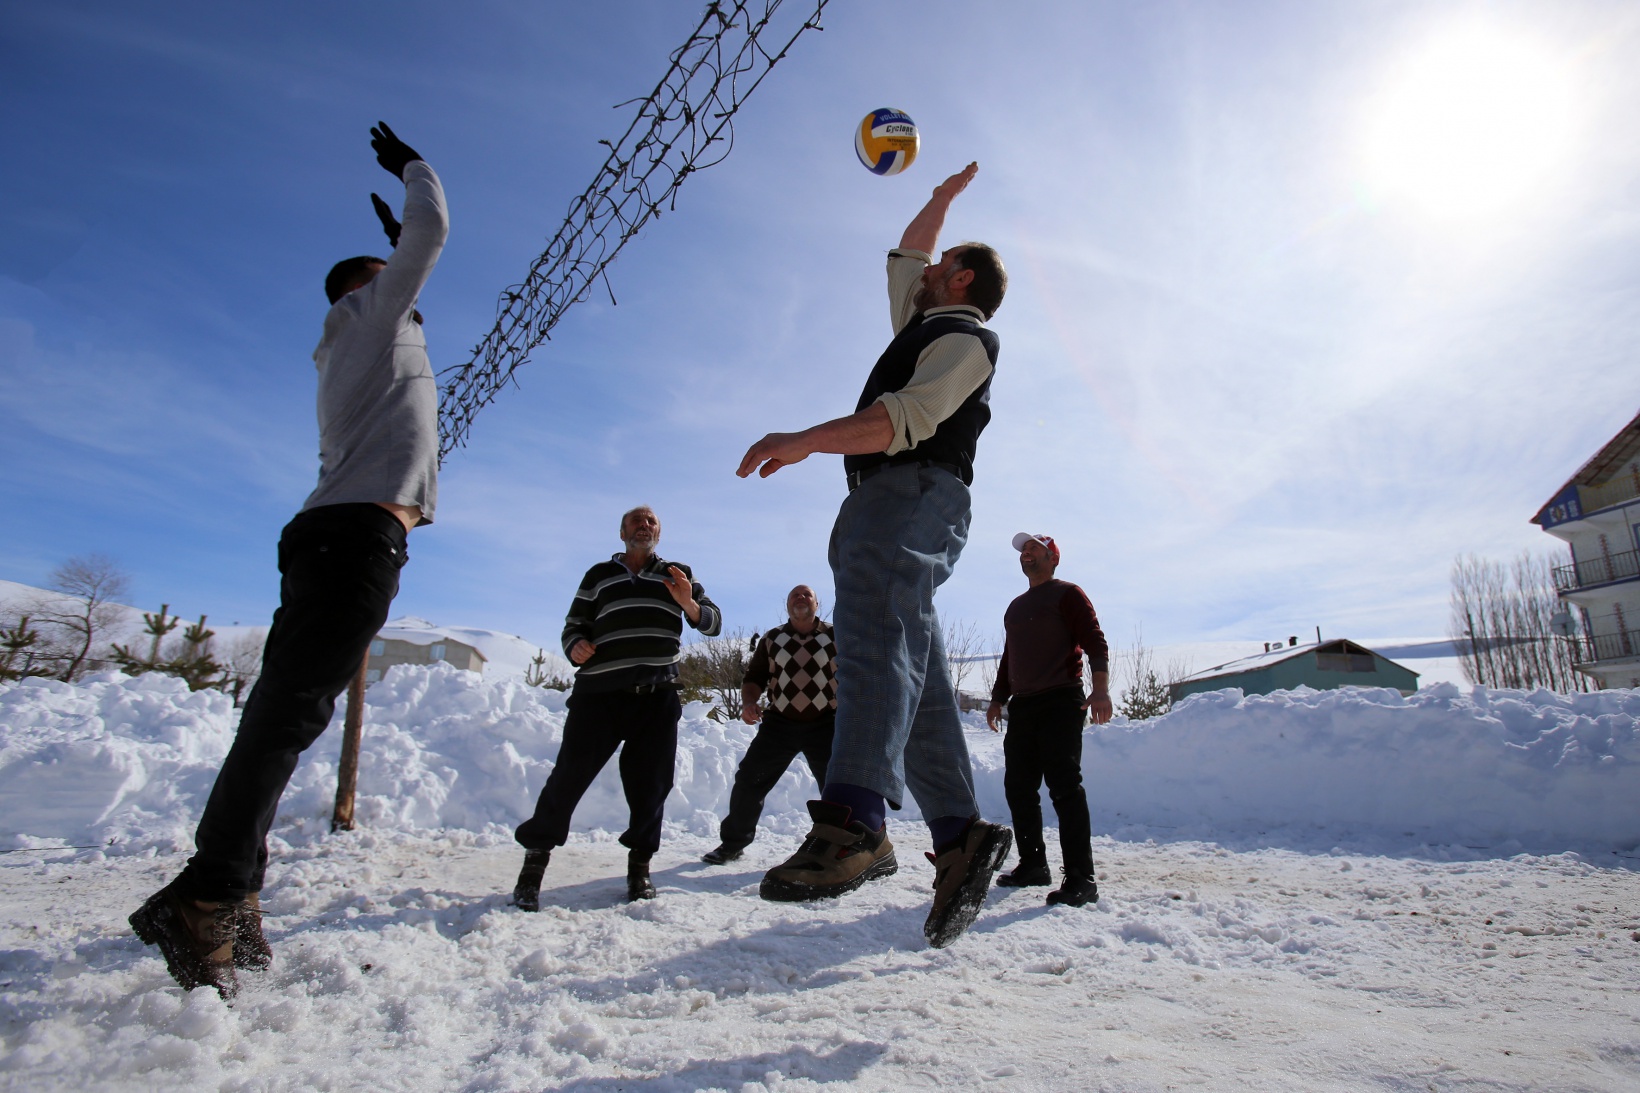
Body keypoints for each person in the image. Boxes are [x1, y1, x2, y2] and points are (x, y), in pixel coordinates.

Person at [129, 123, 448, 998]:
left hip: (334, 538)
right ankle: (204, 900)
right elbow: (432, 234)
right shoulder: (373, 314)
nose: (413, 298)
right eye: (396, 286)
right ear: (368, 288)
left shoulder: (360, 335)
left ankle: (233, 894)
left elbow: (405, 300)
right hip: (352, 543)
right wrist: (415, 172)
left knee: (281, 714)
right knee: (285, 718)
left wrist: (391, 269)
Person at [737, 162, 1013, 948]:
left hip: (913, 485)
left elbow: (902, 419)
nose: (918, 274)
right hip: (886, 495)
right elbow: (904, 260)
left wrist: (806, 440)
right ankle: (960, 833)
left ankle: (855, 817)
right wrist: (939, 199)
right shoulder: (921, 327)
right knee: (912, 661)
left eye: (937, 267)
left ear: (958, 278)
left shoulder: (966, 339)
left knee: (873, 623)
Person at [511, 505, 721, 909]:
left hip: (657, 695)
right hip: (599, 694)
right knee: (568, 778)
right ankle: (533, 866)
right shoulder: (598, 576)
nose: (644, 526)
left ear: (659, 531)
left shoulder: (677, 572)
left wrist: (688, 602)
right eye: (636, 521)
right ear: (622, 531)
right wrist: (574, 645)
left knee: (652, 787)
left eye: (651, 521)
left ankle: (639, 869)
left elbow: (712, 621)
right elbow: (573, 625)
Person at [985, 533, 1111, 907]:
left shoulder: (1067, 594)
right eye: (1023, 550)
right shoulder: (1015, 607)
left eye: (1034, 548)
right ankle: (1034, 864)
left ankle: (1081, 879)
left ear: (1053, 558)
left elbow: (1095, 641)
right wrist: (996, 699)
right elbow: (1011, 658)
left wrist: (1100, 689)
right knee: (1018, 787)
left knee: (1064, 787)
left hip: (1061, 699)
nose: (1026, 553)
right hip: (1022, 706)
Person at [702, 584, 838, 865]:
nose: (800, 599)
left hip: (827, 723)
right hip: (780, 723)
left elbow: (856, 672)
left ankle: (840, 848)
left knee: (837, 788)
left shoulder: (836, 635)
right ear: (787, 605)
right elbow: (754, 678)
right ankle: (732, 844)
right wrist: (749, 703)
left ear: (817, 603)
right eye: (794, 596)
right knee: (750, 779)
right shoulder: (773, 639)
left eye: (806, 595)